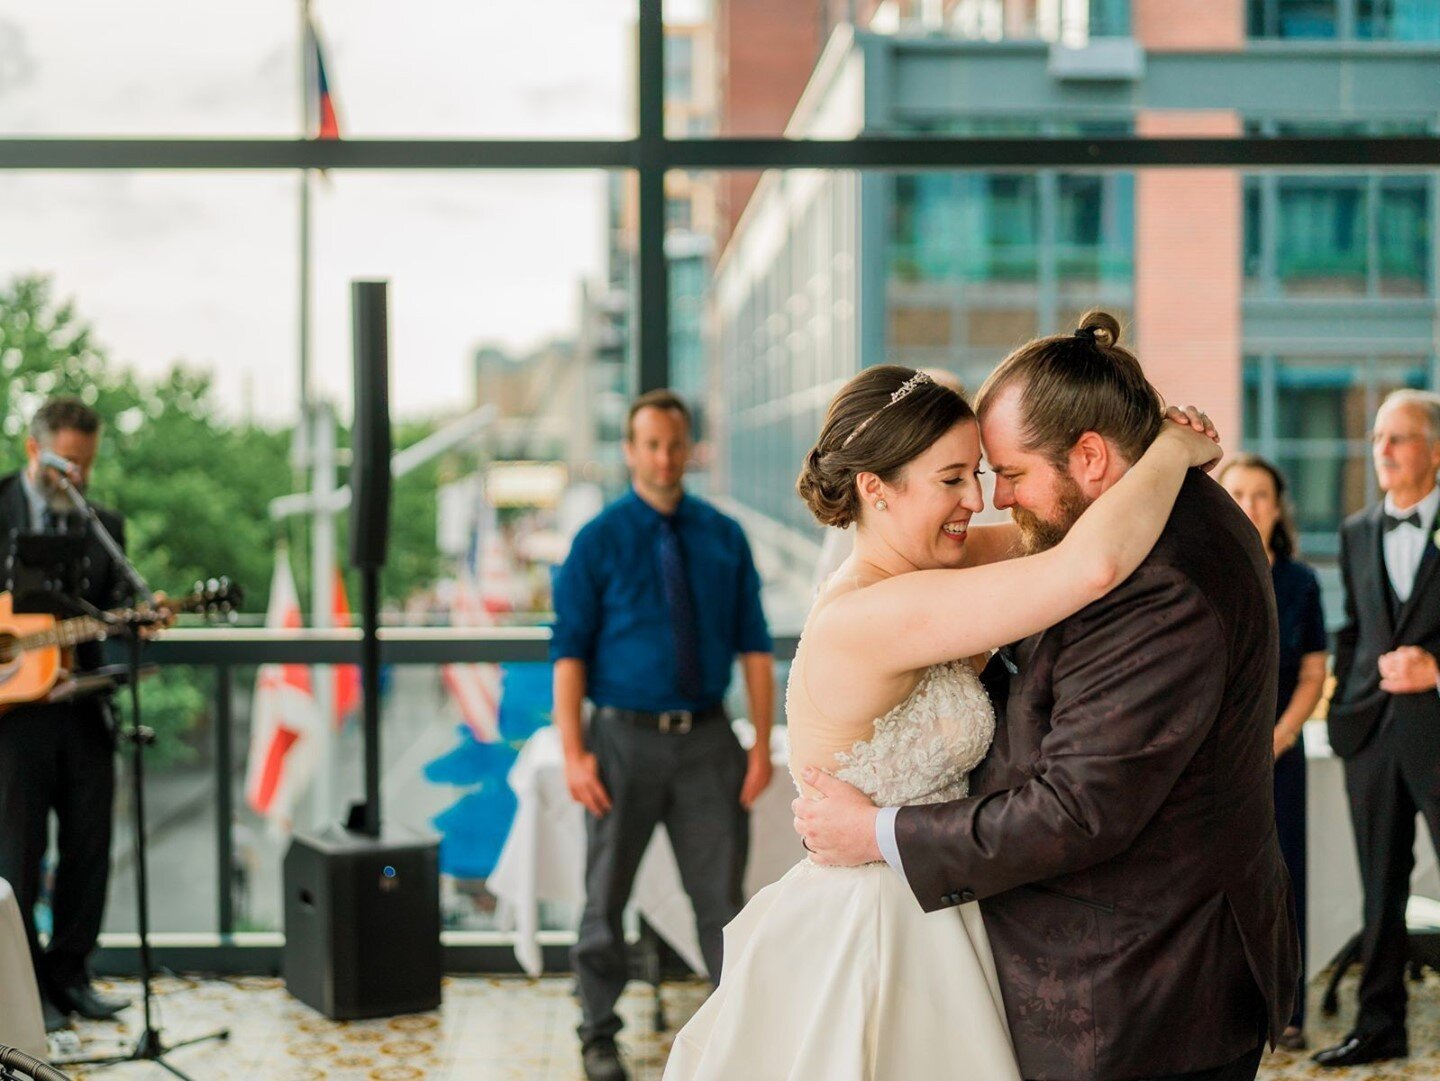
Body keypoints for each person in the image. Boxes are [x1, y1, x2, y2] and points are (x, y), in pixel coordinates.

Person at [666, 324, 1255, 1081]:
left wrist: (1139, 462)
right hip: (876, 929)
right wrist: (1174, 448)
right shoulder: (867, 614)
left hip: (946, 908)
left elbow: (1057, 526)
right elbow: (1090, 562)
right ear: (876, 488)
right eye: (953, 479)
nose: (978, 502)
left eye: (981, 473)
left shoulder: (931, 563)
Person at [551, 389, 775, 1081]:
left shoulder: (724, 536)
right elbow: (569, 653)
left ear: (689, 447)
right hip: (619, 742)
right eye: (650, 443)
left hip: (708, 739)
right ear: (630, 450)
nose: (664, 456)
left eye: (675, 443)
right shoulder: (598, 540)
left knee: (722, 903)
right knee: (603, 898)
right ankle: (597, 1033)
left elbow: (755, 648)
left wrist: (761, 744)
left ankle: (730, 1030)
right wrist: (572, 751)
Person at [1314, 389, 1440, 1069]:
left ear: (1438, 451)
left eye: (1401, 437)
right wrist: (1341, 715)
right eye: (1377, 438)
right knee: (1379, 889)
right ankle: (1378, 1025)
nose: (1383, 450)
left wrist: (1436, 668)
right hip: (1370, 735)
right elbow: (1354, 631)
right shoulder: (1358, 529)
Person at [0, 397, 133, 1032]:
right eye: (66, 462)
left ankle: (72, 976)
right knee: (17, 855)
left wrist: (142, 619)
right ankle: (24, 992)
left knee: (88, 849)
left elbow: (116, 607)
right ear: (35, 449)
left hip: (82, 712)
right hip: (12, 721)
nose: (76, 475)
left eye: (86, 464)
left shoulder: (104, 524)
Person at [1220, 453, 1327, 1052]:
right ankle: (1229, 1012)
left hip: (1280, 757)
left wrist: (1279, 737)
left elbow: (1314, 672)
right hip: (1216, 760)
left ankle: (1289, 1011)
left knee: (1286, 882)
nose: (1251, 505)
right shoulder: (1207, 570)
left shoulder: (1301, 582)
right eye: (1238, 492)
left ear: (1278, 507)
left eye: (1262, 495)